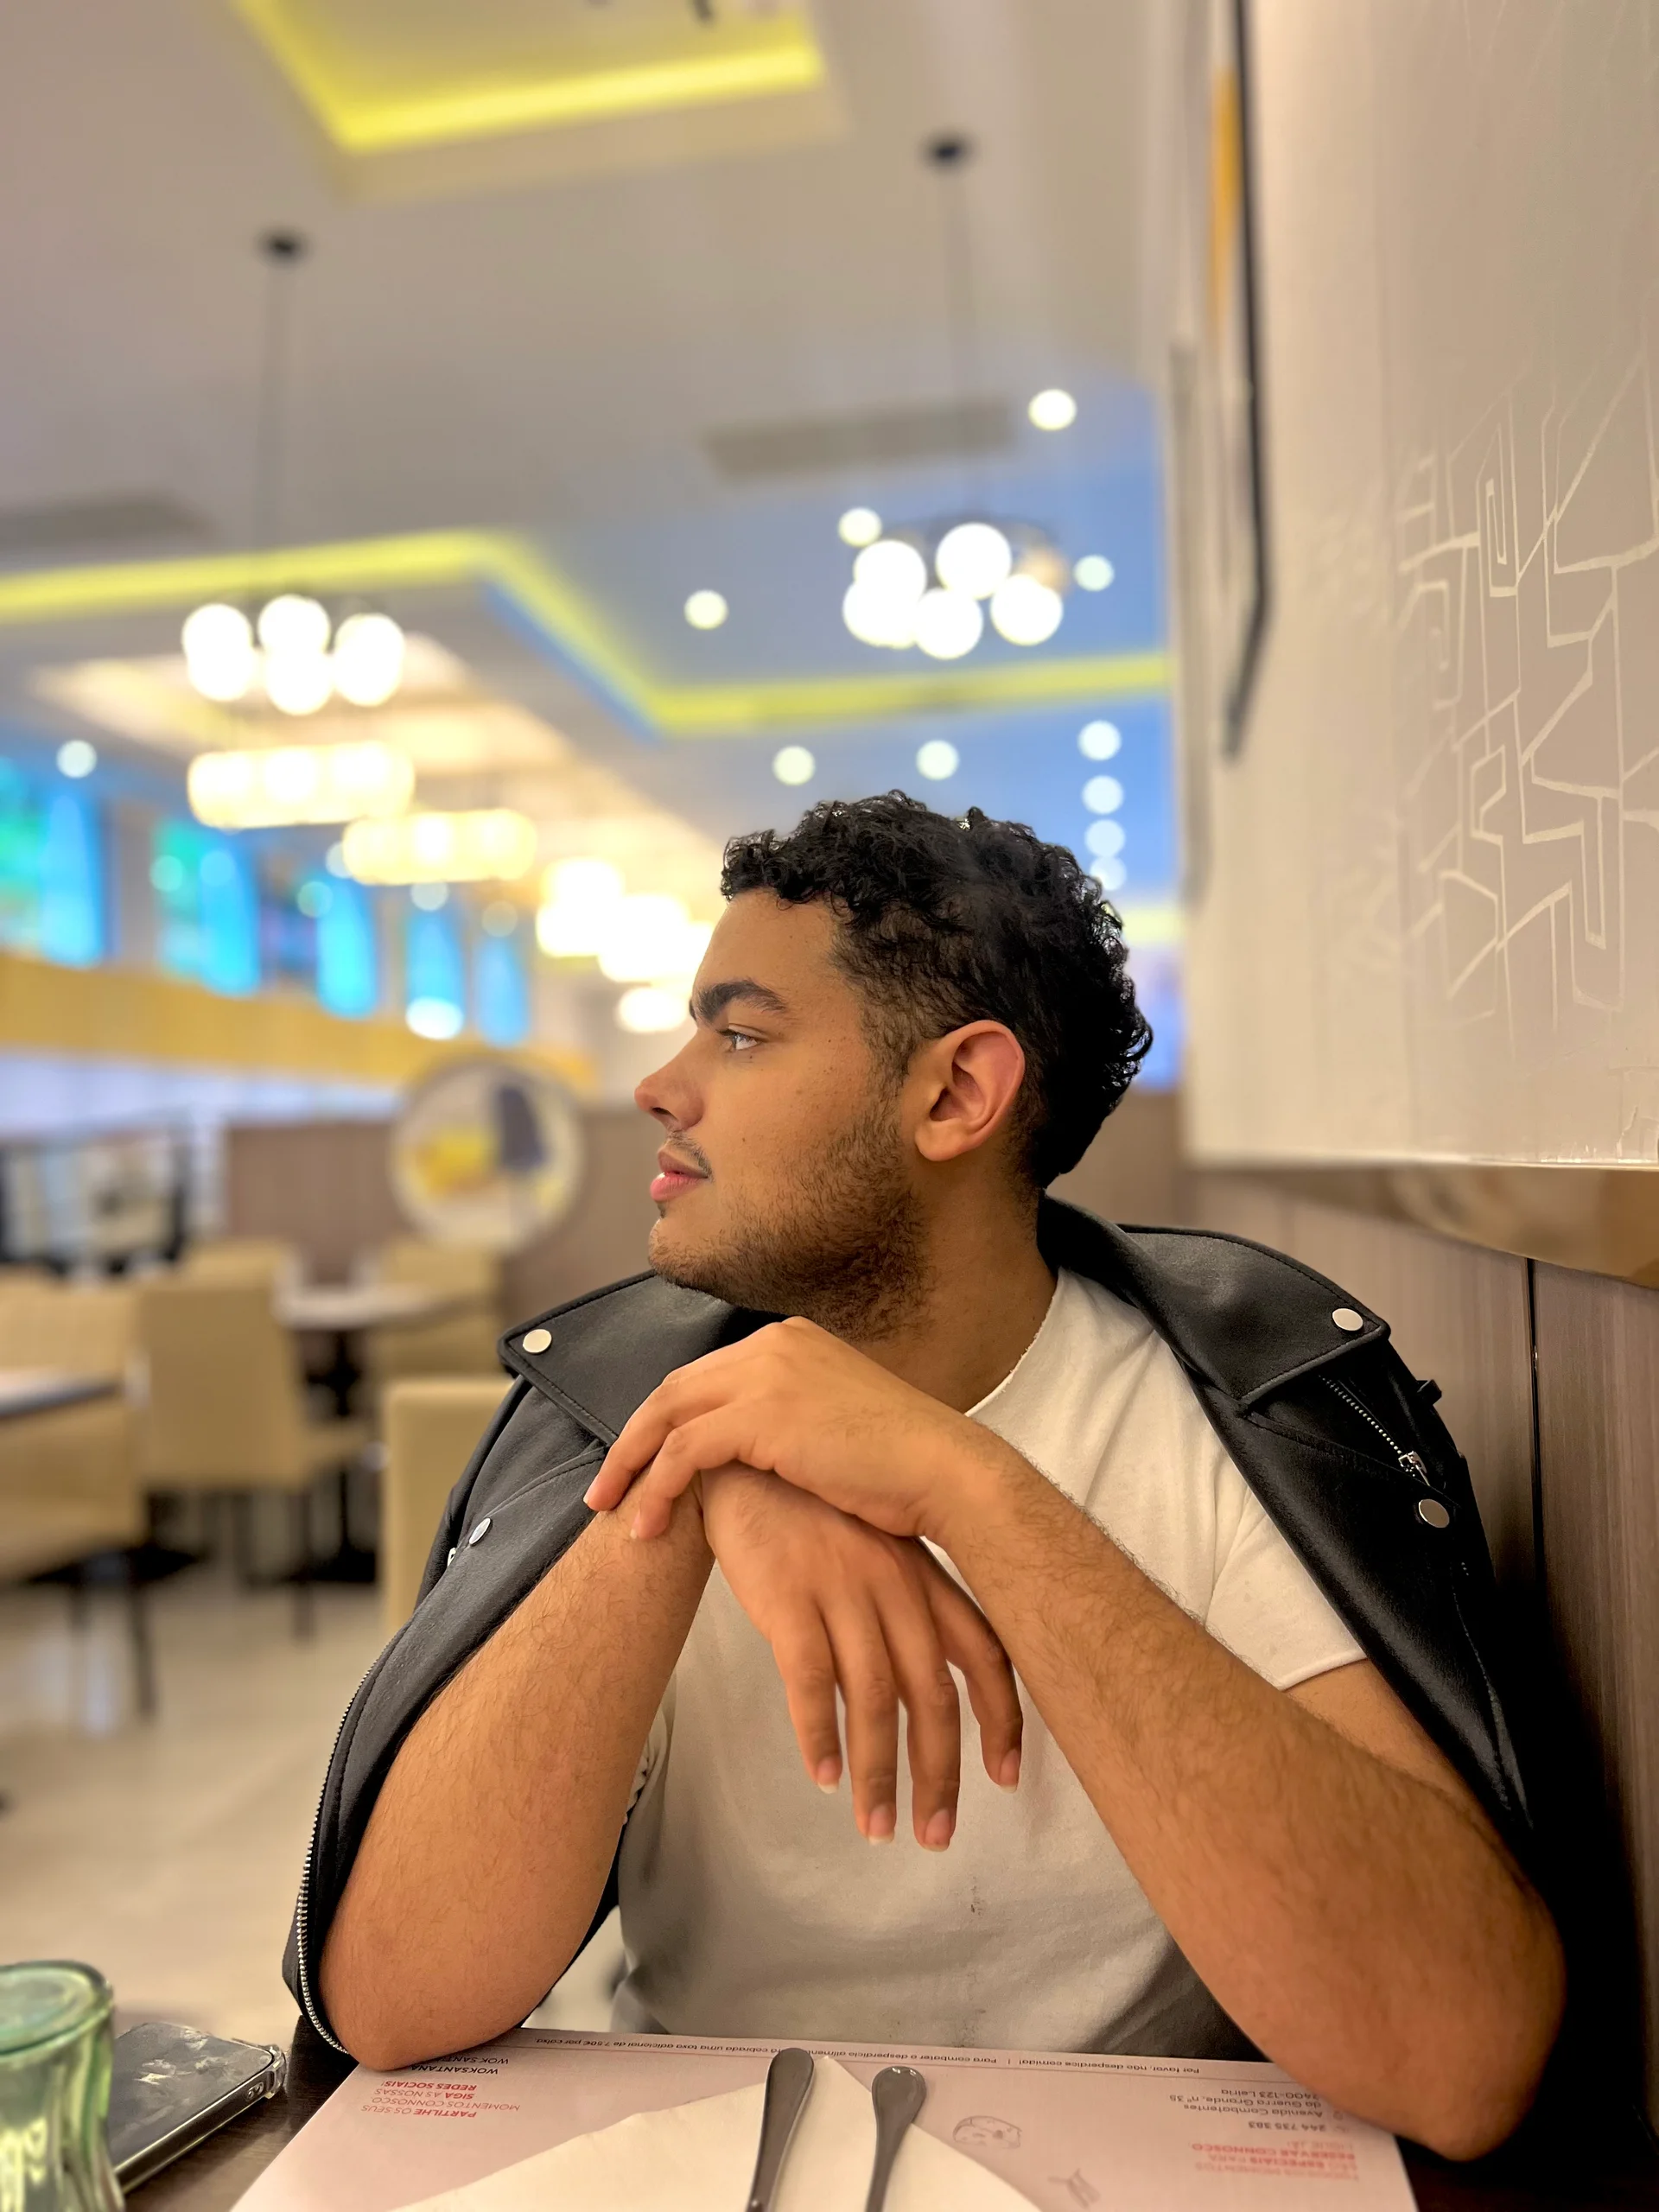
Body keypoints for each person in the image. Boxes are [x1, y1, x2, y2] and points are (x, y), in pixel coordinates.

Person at [295, 796, 1563, 2158]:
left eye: (740, 1035)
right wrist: (698, 1479)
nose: (663, 1085)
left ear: (956, 1095)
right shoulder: (606, 1423)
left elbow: (1458, 2060)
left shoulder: (1229, 1413)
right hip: (710, 2158)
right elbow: (393, 2002)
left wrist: (973, 1490)